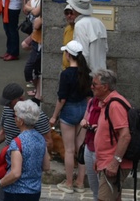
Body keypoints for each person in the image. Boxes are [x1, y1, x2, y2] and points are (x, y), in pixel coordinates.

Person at [0, 100, 50, 201]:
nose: (14, 119)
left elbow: (15, 173)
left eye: (15, 116)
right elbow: (46, 166)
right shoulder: (41, 139)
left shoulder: (17, 142)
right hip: (34, 191)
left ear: (21, 121)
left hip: (16, 192)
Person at [51, 40, 93, 193]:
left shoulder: (66, 74)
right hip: (83, 109)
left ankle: (69, 183)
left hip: (69, 110)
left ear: (68, 54)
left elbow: (62, 99)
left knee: (69, 150)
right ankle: (80, 182)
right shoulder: (86, 73)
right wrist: (88, 114)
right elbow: (90, 97)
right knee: (81, 148)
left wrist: (54, 116)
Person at [91, 69, 134, 201]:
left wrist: (115, 163)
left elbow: (125, 136)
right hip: (106, 161)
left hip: (112, 163)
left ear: (105, 87)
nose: (91, 87)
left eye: (94, 84)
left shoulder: (115, 105)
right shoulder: (108, 102)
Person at [0, 83, 53, 153]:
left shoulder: (37, 116)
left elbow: (49, 143)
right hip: (9, 157)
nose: (7, 105)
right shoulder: (7, 109)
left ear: (21, 99)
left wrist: (25, 151)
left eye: (9, 103)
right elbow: (5, 131)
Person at [66, 0, 109, 74]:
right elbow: (105, 49)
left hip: (88, 74)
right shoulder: (99, 23)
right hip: (102, 72)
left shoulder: (80, 25)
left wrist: (82, 74)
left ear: (75, 10)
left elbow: (83, 53)